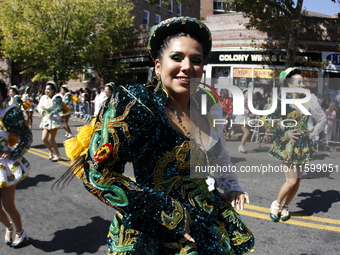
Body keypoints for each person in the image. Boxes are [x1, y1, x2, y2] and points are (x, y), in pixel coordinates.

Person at [56, 16, 254, 254]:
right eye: (177, 57)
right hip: (155, 233)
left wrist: (231, 185)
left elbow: (218, 155)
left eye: (196, 60)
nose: (187, 66)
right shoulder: (136, 103)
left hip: (208, 224)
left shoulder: (205, 105)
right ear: (158, 65)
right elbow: (97, 173)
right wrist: (167, 211)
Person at [263, 67, 320, 222]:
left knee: (298, 180)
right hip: (288, 144)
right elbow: (268, 118)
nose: (303, 84)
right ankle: (276, 204)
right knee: (292, 180)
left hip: (303, 145)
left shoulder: (305, 100)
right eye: (299, 81)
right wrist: (284, 131)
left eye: (303, 81)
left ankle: (286, 206)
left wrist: (310, 130)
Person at [0, 79, 32, 248]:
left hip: (3, 165)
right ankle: (9, 227)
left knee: (8, 204)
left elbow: (26, 137)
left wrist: (14, 151)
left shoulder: (9, 113)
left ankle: (20, 232)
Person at [36, 81, 65, 162]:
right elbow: (39, 106)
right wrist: (42, 112)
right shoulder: (43, 98)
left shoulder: (57, 97)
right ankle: (51, 151)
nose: (46, 91)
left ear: (53, 90)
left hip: (54, 120)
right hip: (46, 119)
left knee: (51, 139)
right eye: (46, 89)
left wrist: (52, 113)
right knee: (44, 139)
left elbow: (59, 108)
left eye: (48, 89)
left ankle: (58, 154)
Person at [233, 89, 252, 153]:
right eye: (247, 94)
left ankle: (242, 145)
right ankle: (241, 146)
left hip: (246, 118)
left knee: (247, 133)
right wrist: (248, 112)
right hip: (242, 118)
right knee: (247, 133)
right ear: (244, 95)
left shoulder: (248, 102)